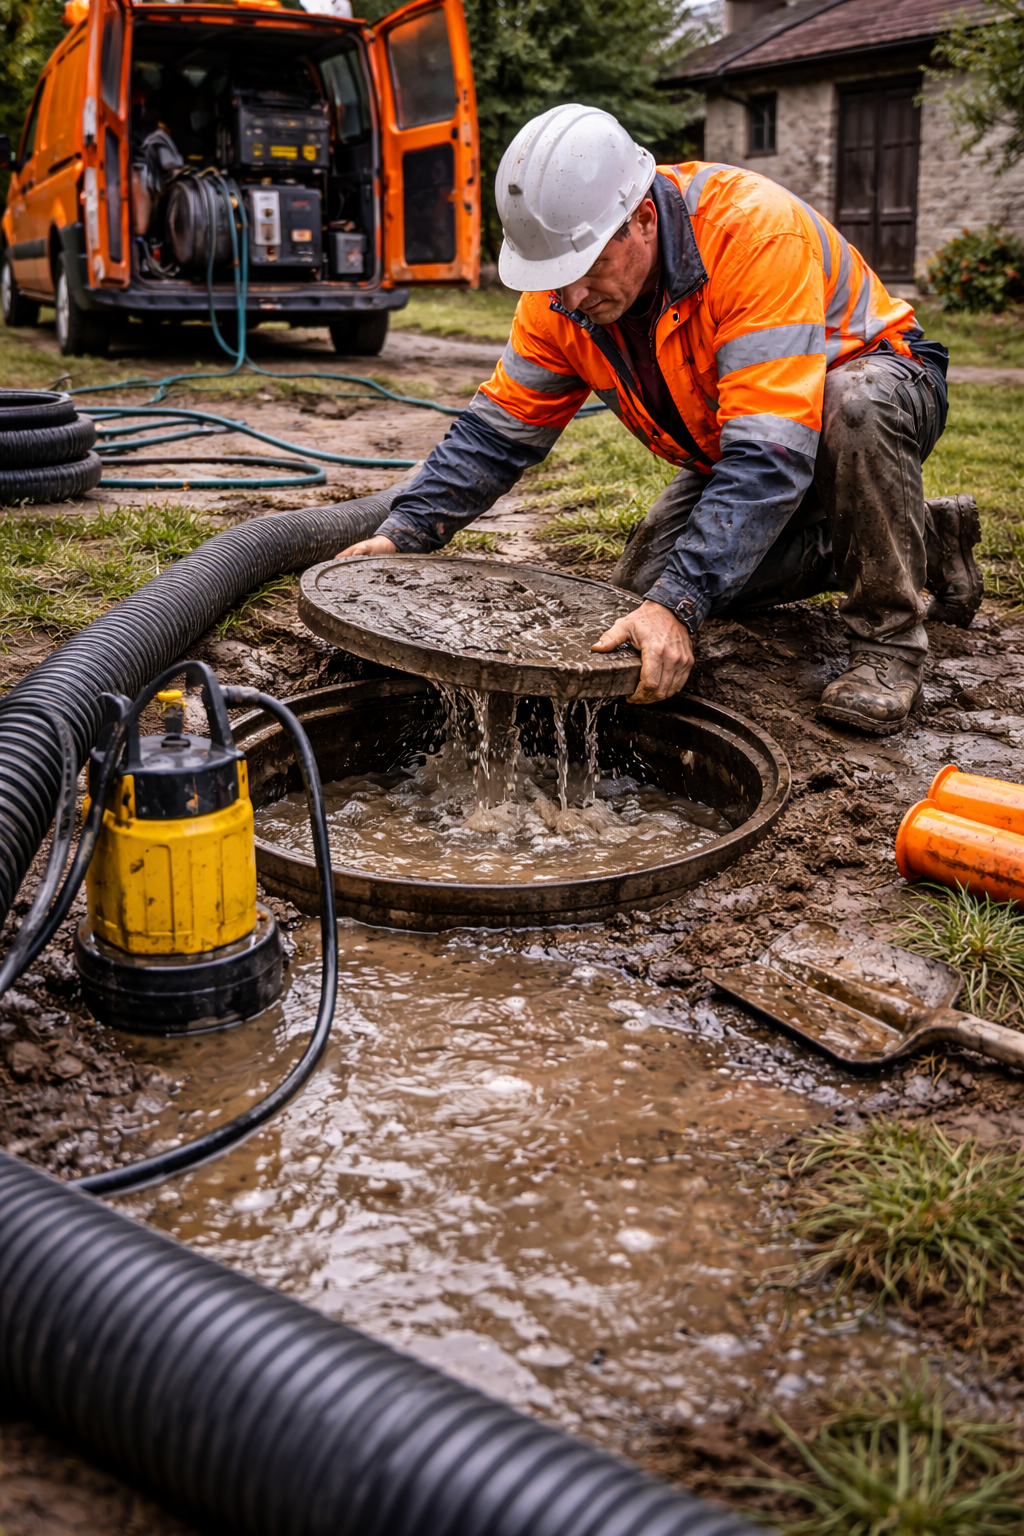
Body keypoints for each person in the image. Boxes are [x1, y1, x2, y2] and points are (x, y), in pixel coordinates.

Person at [337, 104, 981, 735]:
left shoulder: (751, 232)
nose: (572, 300)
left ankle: (889, 644)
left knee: (852, 406)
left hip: (876, 387)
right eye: (554, 280)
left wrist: (680, 605)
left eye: (586, 272)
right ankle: (919, 534)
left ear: (642, 219)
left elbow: (771, 453)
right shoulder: (560, 302)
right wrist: (405, 533)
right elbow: (496, 433)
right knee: (638, 594)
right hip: (742, 441)